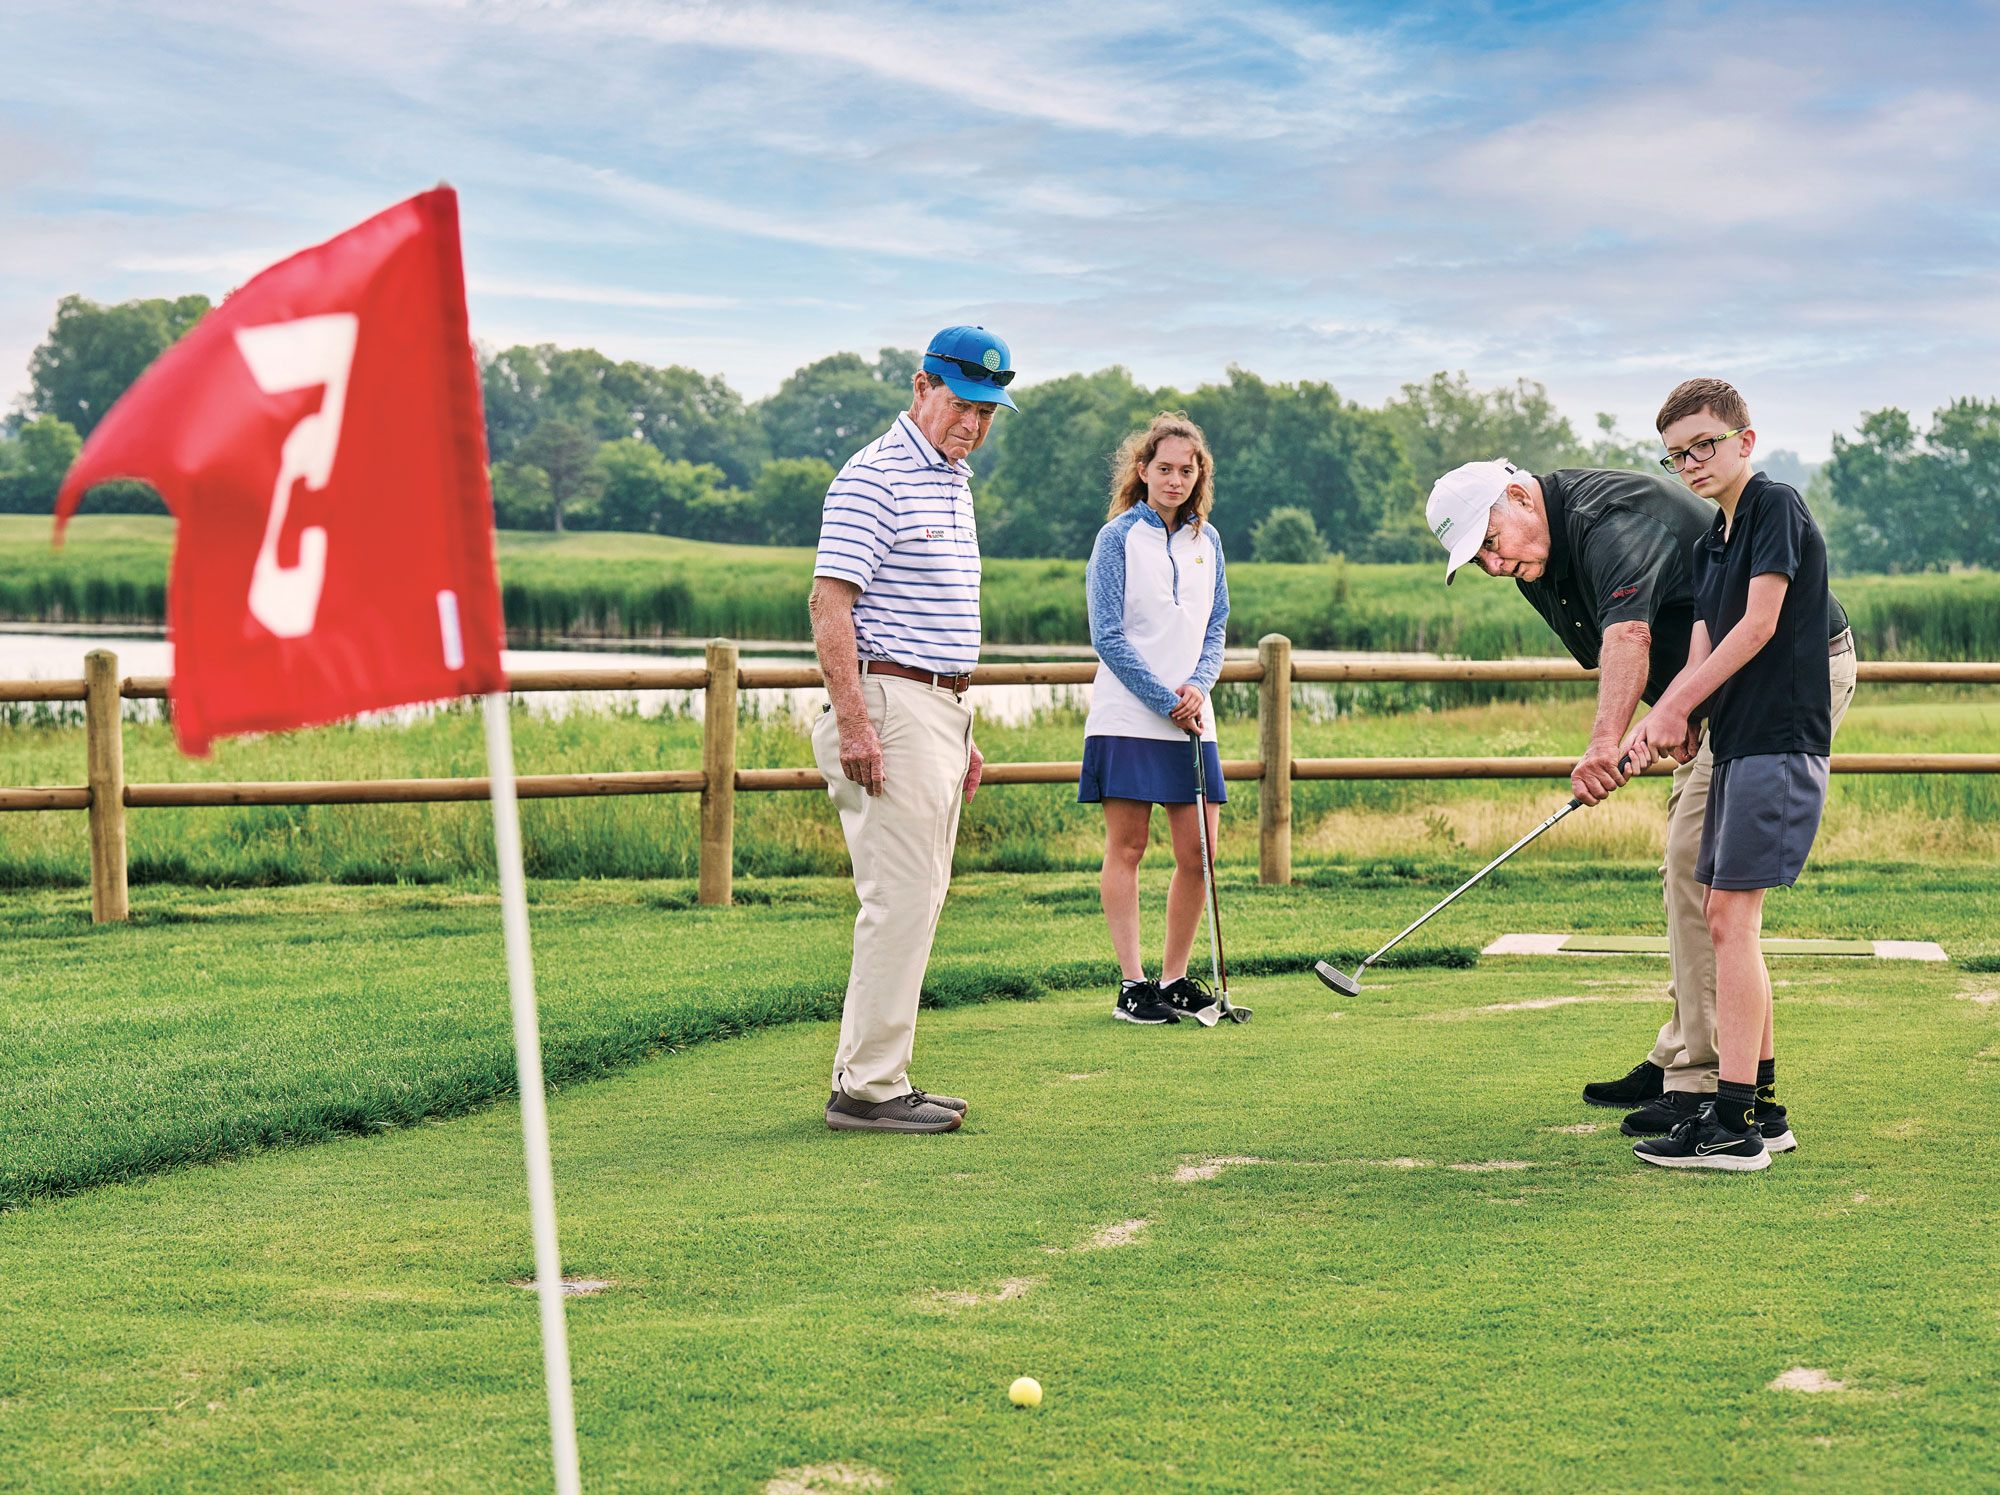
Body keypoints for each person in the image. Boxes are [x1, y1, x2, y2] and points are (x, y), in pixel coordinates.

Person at [1424, 392, 1853, 1138]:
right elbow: (1682, 627)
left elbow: (1631, 636)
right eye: (1480, 558)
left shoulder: (1606, 520)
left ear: (1519, 496)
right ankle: (1690, 1058)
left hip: (1787, 674)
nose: (1495, 563)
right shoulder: (1537, 561)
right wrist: (1675, 713)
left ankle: (1717, 1087)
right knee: (1688, 873)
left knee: (1706, 881)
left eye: (1492, 540)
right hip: (1711, 688)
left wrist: (1611, 740)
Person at [1619, 377, 1843, 1169]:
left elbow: (1758, 626)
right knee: (1722, 914)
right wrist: (1669, 723)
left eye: (1704, 444)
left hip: (1780, 737)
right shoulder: (1707, 542)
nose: (1692, 462)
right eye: (1677, 454)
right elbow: (1704, 650)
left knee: (1731, 922)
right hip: (1739, 738)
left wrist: (1668, 709)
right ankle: (1766, 1111)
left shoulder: (1774, 506)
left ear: (1745, 440)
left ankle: (1735, 1124)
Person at [807, 325, 1015, 1134]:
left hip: (935, 710)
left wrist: (959, 727)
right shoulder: (877, 475)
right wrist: (858, 725)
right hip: (889, 707)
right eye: (962, 405)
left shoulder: (949, 479)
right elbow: (832, 604)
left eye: (987, 413)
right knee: (898, 899)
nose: (973, 425)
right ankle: (868, 1088)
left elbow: (931, 617)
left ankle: (872, 1073)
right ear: (921, 386)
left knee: (919, 896)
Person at [1079, 413, 1230, 1025]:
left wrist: (1197, 685)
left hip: (1194, 715)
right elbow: (1107, 636)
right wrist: (1166, 697)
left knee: (1200, 853)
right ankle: (1133, 985)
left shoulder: (1208, 541)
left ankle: (1173, 979)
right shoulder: (1116, 538)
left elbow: (1215, 628)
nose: (1175, 479)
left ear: (1199, 476)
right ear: (1142, 471)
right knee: (1129, 847)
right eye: (1164, 468)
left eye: (1186, 470)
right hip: (1128, 716)